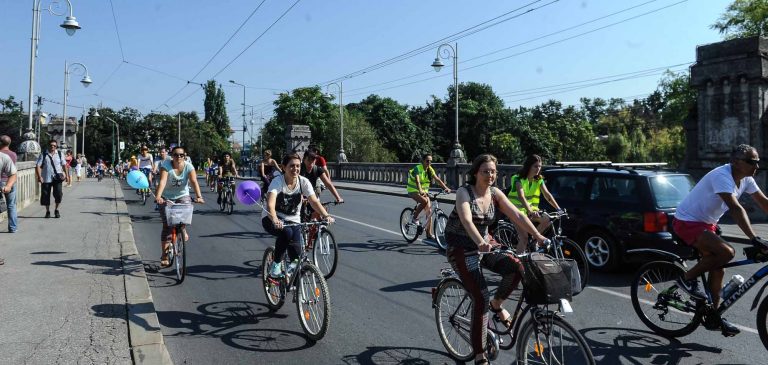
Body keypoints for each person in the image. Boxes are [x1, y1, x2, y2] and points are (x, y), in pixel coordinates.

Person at [444, 154, 546, 364]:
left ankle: (497, 304)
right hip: (462, 247)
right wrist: (479, 241)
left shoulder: (495, 193)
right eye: (485, 171)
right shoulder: (465, 192)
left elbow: (517, 214)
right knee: (480, 298)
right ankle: (480, 356)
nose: (490, 175)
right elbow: (466, 219)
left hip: (485, 243)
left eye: (493, 171)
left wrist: (538, 236)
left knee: (516, 267)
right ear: (475, 173)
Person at [673, 144, 768, 336]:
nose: (756, 166)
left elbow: (764, 202)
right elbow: (735, 208)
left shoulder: (746, 179)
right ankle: (686, 279)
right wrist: (753, 238)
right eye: (751, 162)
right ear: (735, 162)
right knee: (726, 252)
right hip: (687, 221)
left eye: (758, 162)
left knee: (719, 267)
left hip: (706, 224)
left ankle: (713, 316)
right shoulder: (722, 176)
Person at [262, 153, 335, 278]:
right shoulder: (277, 182)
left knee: (296, 259)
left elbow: (314, 201)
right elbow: (270, 205)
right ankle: (276, 265)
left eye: (297, 166)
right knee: (286, 233)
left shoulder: (303, 182)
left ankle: (296, 291)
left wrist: (325, 215)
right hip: (271, 218)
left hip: (294, 220)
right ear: (284, 167)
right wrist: (275, 219)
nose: (295, 169)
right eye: (291, 166)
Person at [155, 146, 204, 267]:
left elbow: (193, 181)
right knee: (167, 226)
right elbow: (162, 181)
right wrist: (159, 196)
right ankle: (164, 255)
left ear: (185, 156)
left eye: (181, 155)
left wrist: (199, 196)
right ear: (172, 156)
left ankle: (182, 228)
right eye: (176, 155)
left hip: (183, 195)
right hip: (167, 196)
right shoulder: (166, 165)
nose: (179, 157)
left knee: (185, 212)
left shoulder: (188, 166)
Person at [507, 154, 562, 252]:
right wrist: (530, 211)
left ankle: (535, 241)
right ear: (529, 166)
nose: (538, 169)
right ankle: (518, 264)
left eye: (540, 166)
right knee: (524, 238)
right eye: (535, 166)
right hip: (515, 211)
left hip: (530, 210)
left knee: (546, 219)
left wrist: (558, 209)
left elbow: (547, 195)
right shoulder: (517, 178)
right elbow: (521, 196)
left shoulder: (538, 179)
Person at [406, 153, 451, 239]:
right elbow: (418, 181)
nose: (429, 163)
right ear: (423, 161)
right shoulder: (417, 169)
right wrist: (420, 190)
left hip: (424, 192)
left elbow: (437, 179)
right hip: (413, 190)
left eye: (430, 161)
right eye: (427, 161)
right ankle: (414, 218)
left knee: (429, 212)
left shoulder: (430, 169)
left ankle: (428, 233)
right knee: (424, 201)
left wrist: (446, 188)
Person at [300, 151, 343, 221]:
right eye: (309, 160)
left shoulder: (317, 169)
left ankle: (315, 228)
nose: (311, 164)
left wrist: (338, 197)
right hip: (299, 195)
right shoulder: (299, 169)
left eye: (313, 161)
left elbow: (328, 184)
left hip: (311, 195)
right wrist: (301, 197)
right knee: (300, 219)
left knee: (320, 210)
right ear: (304, 159)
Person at [35, 139, 68, 218]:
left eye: (54, 145)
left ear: (56, 146)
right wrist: (39, 177)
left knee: (58, 194)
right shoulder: (43, 154)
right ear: (48, 145)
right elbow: (38, 165)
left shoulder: (60, 154)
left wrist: (67, 175)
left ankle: (56, 210)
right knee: (46, 195)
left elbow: (64, 165)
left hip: (57, 178)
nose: (52, 147)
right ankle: (47, 211)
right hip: (46, 178)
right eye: (51, 145)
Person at [0, 135, 18, 233]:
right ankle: (12, 227)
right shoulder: (13, 154)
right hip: (9, 181)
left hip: (1, 181)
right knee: (11, 205)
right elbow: (13, 171)